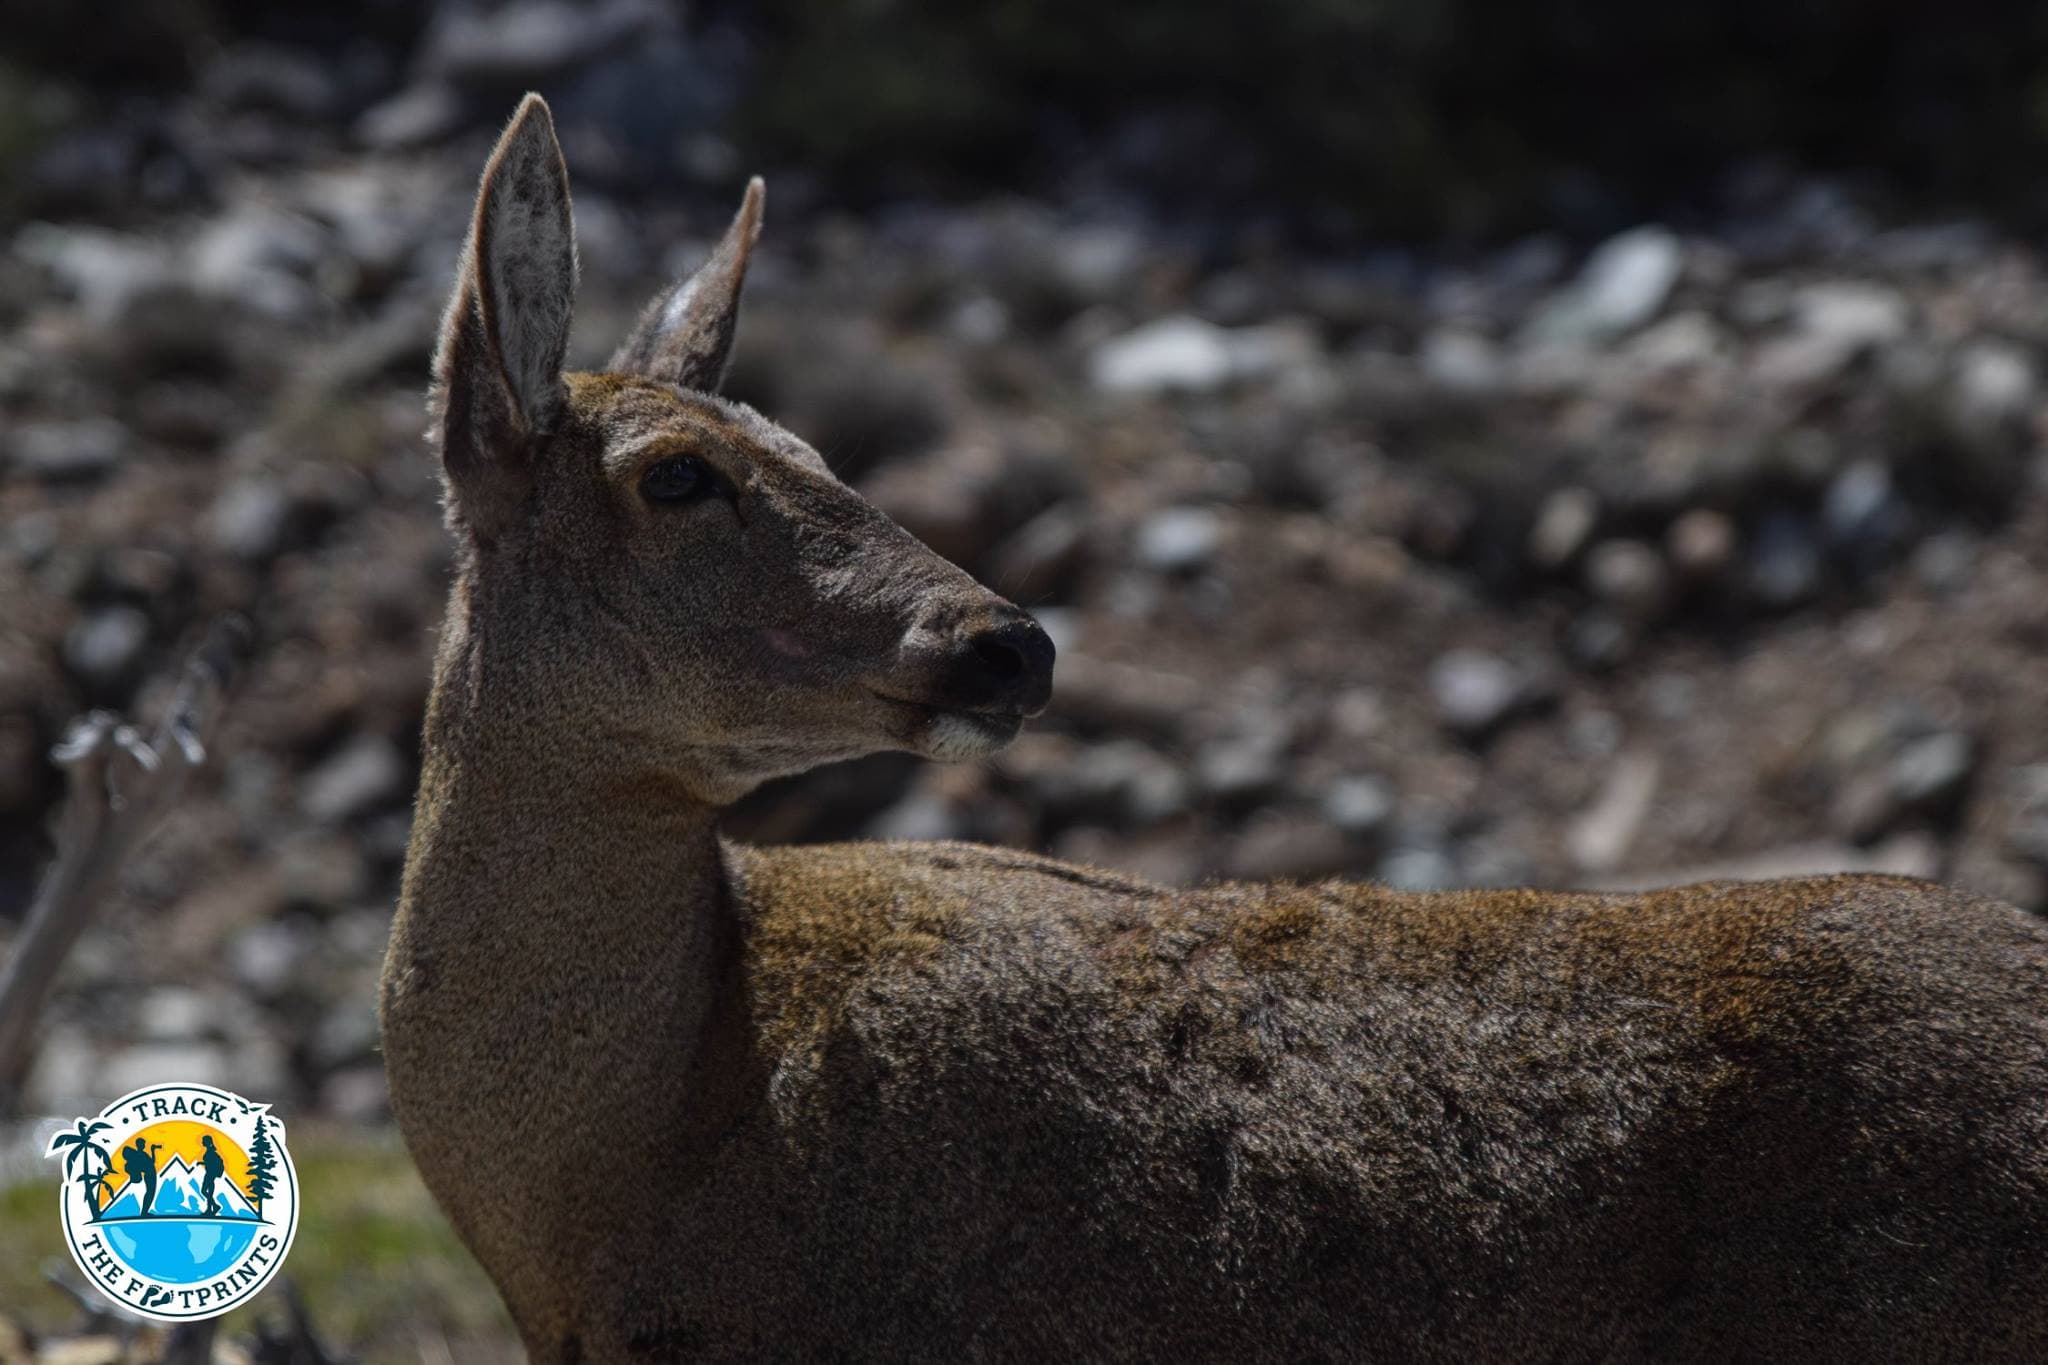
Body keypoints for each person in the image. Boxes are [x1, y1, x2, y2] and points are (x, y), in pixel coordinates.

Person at [120, 1138, 159, 1217]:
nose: (144, 1145)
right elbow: (150, 1163)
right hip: (150, 1175)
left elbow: (151, 1162)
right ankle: (144, 1213)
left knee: (150, 1193)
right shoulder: (140, 1155)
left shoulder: (141, 1154)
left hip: (151, 1174)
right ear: (139, 1145)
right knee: (150, 1193)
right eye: (143, 1144)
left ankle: (144, 1212)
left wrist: (152, 1150)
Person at [198, 1135, 226, 1216]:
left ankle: (212, 1208)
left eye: (203, 1141)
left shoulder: (210, 1152)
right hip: (210, 1174)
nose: (202, 1142)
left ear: (207, 1142)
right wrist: (202, 1163)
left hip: (210, 1174)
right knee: (208, 1192)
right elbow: (210, 1162)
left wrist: (203, 1163)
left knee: (204, 1191)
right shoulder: (210, 1151)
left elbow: (211, 1163)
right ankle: (212, 1208)